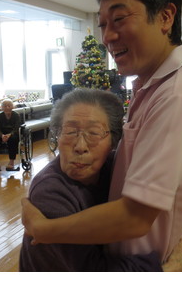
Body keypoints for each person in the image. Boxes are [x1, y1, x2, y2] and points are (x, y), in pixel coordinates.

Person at [21, 0, 182, 267]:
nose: (108, 36)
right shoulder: (154, 87)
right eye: (102, 24)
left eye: (119, 19)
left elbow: (135, 218)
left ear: (166, 17)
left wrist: (44, 230)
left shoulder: (178, 94)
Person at [20, 88, 164, 271]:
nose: (80, 147)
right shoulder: (50, 191)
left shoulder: (116, 169)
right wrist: (164, 269)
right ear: (57, 134)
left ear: (113, 141)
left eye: (94, 133)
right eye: (70, 132)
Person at [0, 99, 21, 170]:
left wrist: (10, 134)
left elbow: (16, 128)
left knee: (13, 140)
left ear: (12, 107)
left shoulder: (16, 115)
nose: (7, 107)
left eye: (9, 106)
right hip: (2, 134)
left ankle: (11, 163)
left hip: (12, 134)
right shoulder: (0, 116)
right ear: (2, 108)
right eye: (5, 106)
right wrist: (2, 135)